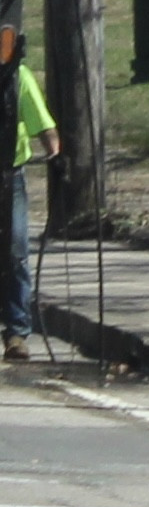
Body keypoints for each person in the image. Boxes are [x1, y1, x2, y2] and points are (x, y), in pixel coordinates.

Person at [4, 64, 57, 363]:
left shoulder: (17, 77)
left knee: (15, 252)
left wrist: (55, 154)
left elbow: (42, 124)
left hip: (9, 175)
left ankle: (16, 333)